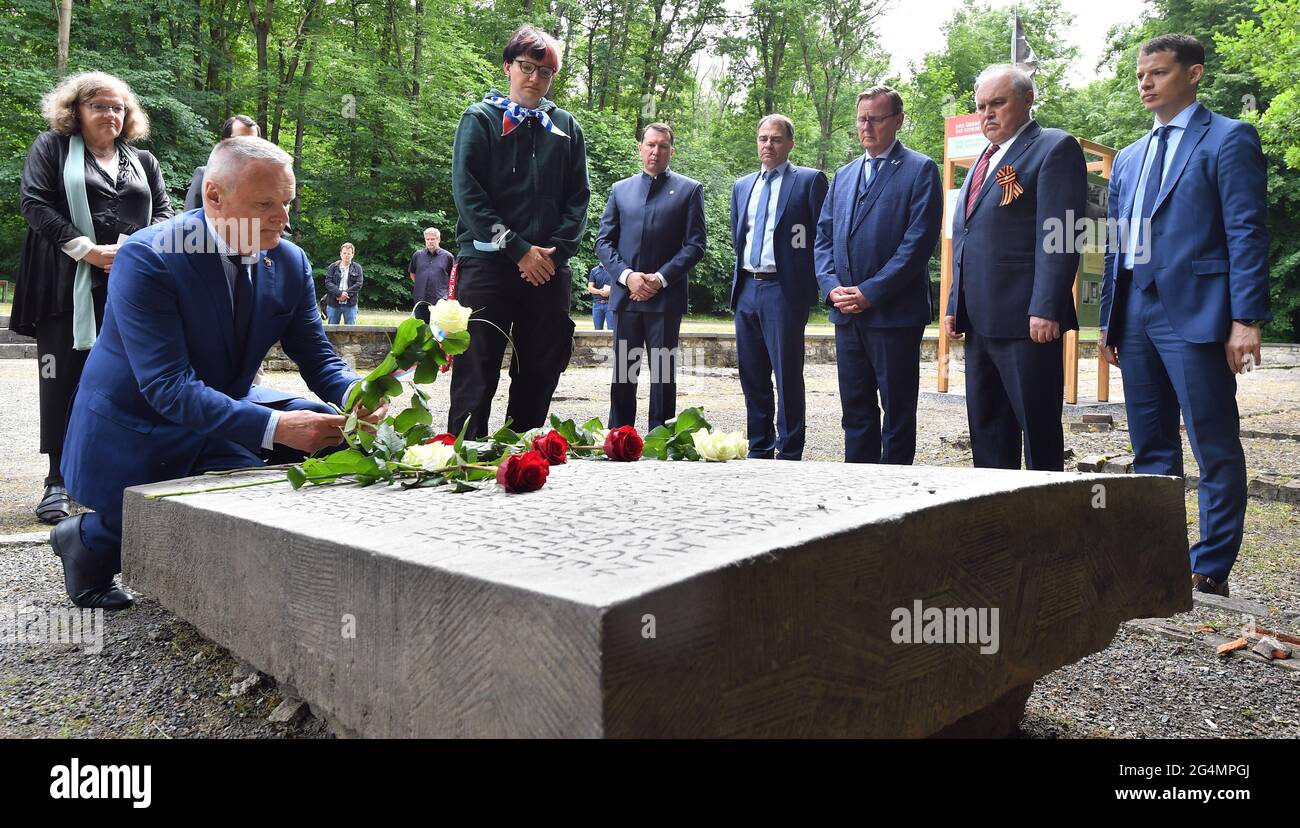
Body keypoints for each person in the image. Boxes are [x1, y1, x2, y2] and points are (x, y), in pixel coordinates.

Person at [54, 136, 385, 609]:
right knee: (248, 483)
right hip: (143, 421)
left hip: (219, 405)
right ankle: (89, 536)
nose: (284, 219)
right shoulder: (150, 256)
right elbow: (168, 388)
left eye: (288, 202)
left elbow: (316, 354)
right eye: (266, 204)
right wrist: (276, 429)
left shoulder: (289, 260)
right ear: (214, 196)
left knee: (339, 438)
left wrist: (356, 392)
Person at [1099, 35, 1270, 597]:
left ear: (1193, 74)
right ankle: (1157, 558)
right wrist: (1110, 320)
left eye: (1159, 72)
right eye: (1141, 74)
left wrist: (1245, 318)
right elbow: (1117, 245)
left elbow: (1246, 232)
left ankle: (1211, 565)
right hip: (1137, 317)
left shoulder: (1228, 138)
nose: (1146, 82)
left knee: (1213, 443)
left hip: (1198, 316)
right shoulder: (1127, 158)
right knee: (1150, 448)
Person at [8, 71, 173, 525]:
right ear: (76, 111)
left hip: (128, 288)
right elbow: (35, 203)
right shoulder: (52, 149)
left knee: (128, 378)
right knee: (60, 379)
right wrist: (89, 251)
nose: (111, 114)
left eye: (118, 107)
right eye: (99, 105)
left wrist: (133, 250)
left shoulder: (143, 160)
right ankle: (57, 481)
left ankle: (120, 475)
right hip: (64, 288)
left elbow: (163, 211)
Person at [447, 26, 591, 438]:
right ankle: (466, 456)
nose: (534, 78)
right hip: (488, 265)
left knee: (542, 367)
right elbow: (469, 195)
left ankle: (522, 453)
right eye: (526, 67)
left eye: (545, 72)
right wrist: (517, 249)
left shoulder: (566, 128)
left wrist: (553, 254)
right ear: (508, 66)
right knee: (477, 368)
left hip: (548, 270)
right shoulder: (480, 120)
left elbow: (579, 198)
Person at [944, 64, 1087, 472]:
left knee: (1038, 430)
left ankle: (1047, 519)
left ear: (1027, 100)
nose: (986, 114)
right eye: (980, 106)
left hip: (1028, 323)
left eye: (997, 103)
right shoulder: (981, 162)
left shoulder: (1054, 148)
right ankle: (994, 517)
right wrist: (956, 303)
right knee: (988, 429)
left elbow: (1061, 234)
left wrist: (1046, 306)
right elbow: (967, 239)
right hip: (980, 323)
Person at [814, 88, 942, 464]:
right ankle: (858, 491)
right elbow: (823, 238)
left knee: (897, 415)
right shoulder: (844, 174)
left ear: (898, 121)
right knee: (855, 413)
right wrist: (831, 287)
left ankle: (894, 501)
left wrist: (871, 291)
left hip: (894, 315)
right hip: (847, 315)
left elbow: (917, 244)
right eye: (861, 118)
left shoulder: (920, 170)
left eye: (875, 118)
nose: (865, 126)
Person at [596, 122, 706, 431]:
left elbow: (695, 245)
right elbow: (603, 242)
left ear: (672, 150)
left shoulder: (689, 190)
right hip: (625, 298)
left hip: (665, 301)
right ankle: (619, 436)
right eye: (650, 144)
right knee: (623, 375)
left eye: (663, 146)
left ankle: (661, 439)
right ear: (640, 148)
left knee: (662, 375)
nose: (655, 151)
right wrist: (627, 277)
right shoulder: (620, 190)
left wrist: (658, 279)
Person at [731, 114, 828, 460]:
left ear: (790, 143)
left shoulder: (809, 181)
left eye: (775, 139)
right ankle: (759, 447)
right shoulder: (743, 186)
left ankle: (789, 451)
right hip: (746, 288)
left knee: (787, 376)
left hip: (783, 292)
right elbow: (737, 235)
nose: (767, 145)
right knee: (752, 375)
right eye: (762, 138)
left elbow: (821, 238)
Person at [184, 115, 259, 210]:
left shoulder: (264, 182)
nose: (247, 146)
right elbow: (189, 219)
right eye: (240, 140)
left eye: (253, 142)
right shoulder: (204, 176)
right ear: (224, 142)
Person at [410, 226, 454, 322]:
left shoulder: (448, 257)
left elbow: (453, 279)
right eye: (427, 239)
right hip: (421, 299)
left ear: (438, 239)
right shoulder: (417, 255)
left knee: (438, 331)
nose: (430, 241)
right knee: (422, 329)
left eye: (433, 239)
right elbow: (413, 274)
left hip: (440, 301)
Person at [324, 242, 364, 325]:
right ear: (340, 254)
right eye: (344, 253)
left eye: (349, 253)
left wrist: (345, 295)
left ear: (353, 254)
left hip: (350, 304)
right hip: (333, 303)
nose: (346, 255)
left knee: (351, 331)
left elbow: (358, 284)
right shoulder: (333, 267)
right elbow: (328, 282)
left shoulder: (357, 268)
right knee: (332, 330)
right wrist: (339, 294)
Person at [587, 262, 612, 330]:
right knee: (597, 331)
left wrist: (610, 291)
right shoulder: (594, 270)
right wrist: (600, 292)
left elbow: (619, 286)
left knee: (612, 331)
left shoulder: (614, 269)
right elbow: (590, 288)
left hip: (611, 304)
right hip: (597, 304)